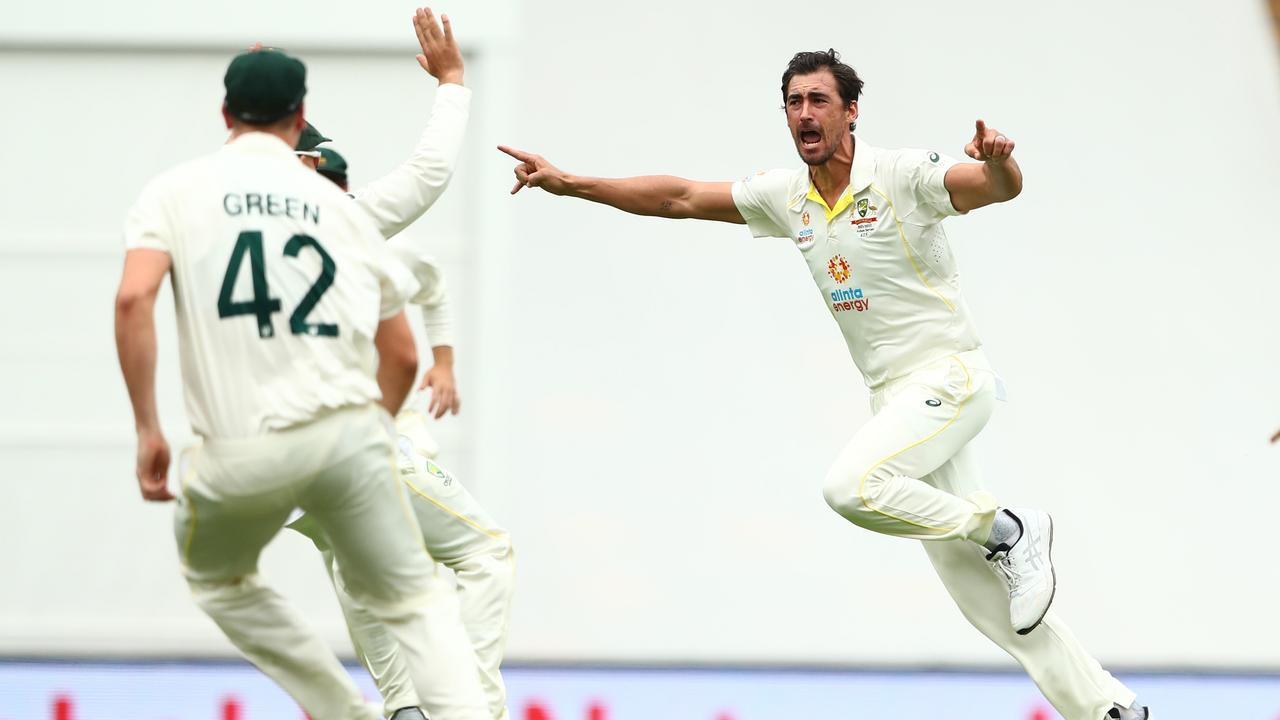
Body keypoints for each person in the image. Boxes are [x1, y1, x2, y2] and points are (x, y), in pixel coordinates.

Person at [499, 49, 1147, 720]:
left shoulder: (900, 175)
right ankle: (1109, 709)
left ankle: (1005, 526)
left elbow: (997, 189)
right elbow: (681, 197)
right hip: (898, 402)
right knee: (985, 599)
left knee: (852, 487)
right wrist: (572, 183)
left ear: (851, 112)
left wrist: (997, 160)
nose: (804, 114)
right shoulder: (788, 197)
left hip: (949, 378)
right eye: (793, 102)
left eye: (818, 101)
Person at [114, 46, 489, 720]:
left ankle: (347, 711)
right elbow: (400, 356)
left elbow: (132, 301)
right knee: (416, 601)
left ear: (225, 113)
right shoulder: (343, 209)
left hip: (240, 452)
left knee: (220, 580)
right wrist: (369, 436)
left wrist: (147, 428)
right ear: (301, 119)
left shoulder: (176, 193)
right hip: (346, 437)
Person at [284, 12, 515, 718]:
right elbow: (431, 170)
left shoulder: (239, 236)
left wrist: (278, 115)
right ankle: (466, 708)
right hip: (360, 444)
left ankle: (406, 710)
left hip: (292, 461)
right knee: (485, 555)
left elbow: (431, 281)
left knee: (361, 575)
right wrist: (451, 83)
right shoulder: (347, 222)